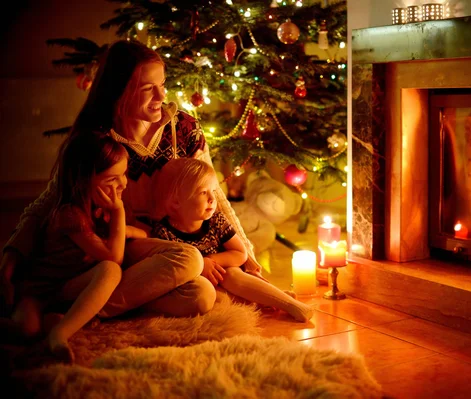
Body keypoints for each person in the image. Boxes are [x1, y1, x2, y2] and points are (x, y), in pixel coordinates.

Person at [0, 39, 259, 320]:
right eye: (148, 89)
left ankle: (92, 305)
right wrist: (12, 255)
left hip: (167, 247)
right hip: (121, 248)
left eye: (163, 84)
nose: (161, 96)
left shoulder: (183, 129)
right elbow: (49, 201)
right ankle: (85, 306)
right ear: (119, 91)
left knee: (201, 296)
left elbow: (215, 194)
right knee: (190, 261)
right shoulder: (98, 142)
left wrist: (247, 251)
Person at [1, 134, 131, 363]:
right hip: (38, 290)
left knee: (107, 271)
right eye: (112, 179)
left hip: (67, 287)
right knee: (26, 332)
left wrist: (127, 229)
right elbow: (114, 255)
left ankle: (58, 327)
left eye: (123, 174)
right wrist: (119, 213)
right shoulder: (69, 215)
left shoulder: (95, 207)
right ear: (82, 180)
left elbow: (135, 235)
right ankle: (56, 331)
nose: (123, 184)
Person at [152, 158, 314, 322]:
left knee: (231, 274)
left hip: (226, 274)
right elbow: (170, 272)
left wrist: (211, 260)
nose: (212, 199)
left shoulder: (215, 220)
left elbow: (240, 253)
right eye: (202, 192)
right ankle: (269, 299)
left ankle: (290, 304)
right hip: (198, 285)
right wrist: (200, 265)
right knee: (217, 298)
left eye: (213, 191)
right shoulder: (164, 233)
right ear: (175, 203)